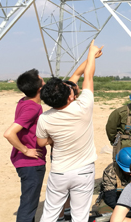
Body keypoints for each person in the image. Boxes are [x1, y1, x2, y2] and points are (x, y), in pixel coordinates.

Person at [36, 40, 101, 222]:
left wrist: (52, 139)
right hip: (84, 171)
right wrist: (91, 53)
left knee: (49, 213)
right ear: (70, 96)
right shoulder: (83, 107)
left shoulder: (45, 117)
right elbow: (88, 75)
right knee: (80, 215)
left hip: (59, 172)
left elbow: (41, 142)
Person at [3, 69, 47, 222]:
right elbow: (9, 133)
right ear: (40, 89)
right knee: (28, 206)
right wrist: (26, 150)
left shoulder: (25, 101)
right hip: (31, 163)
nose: (45, 82)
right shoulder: (32, 108)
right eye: (43, 80)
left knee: (29, 203)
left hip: (24, 162)